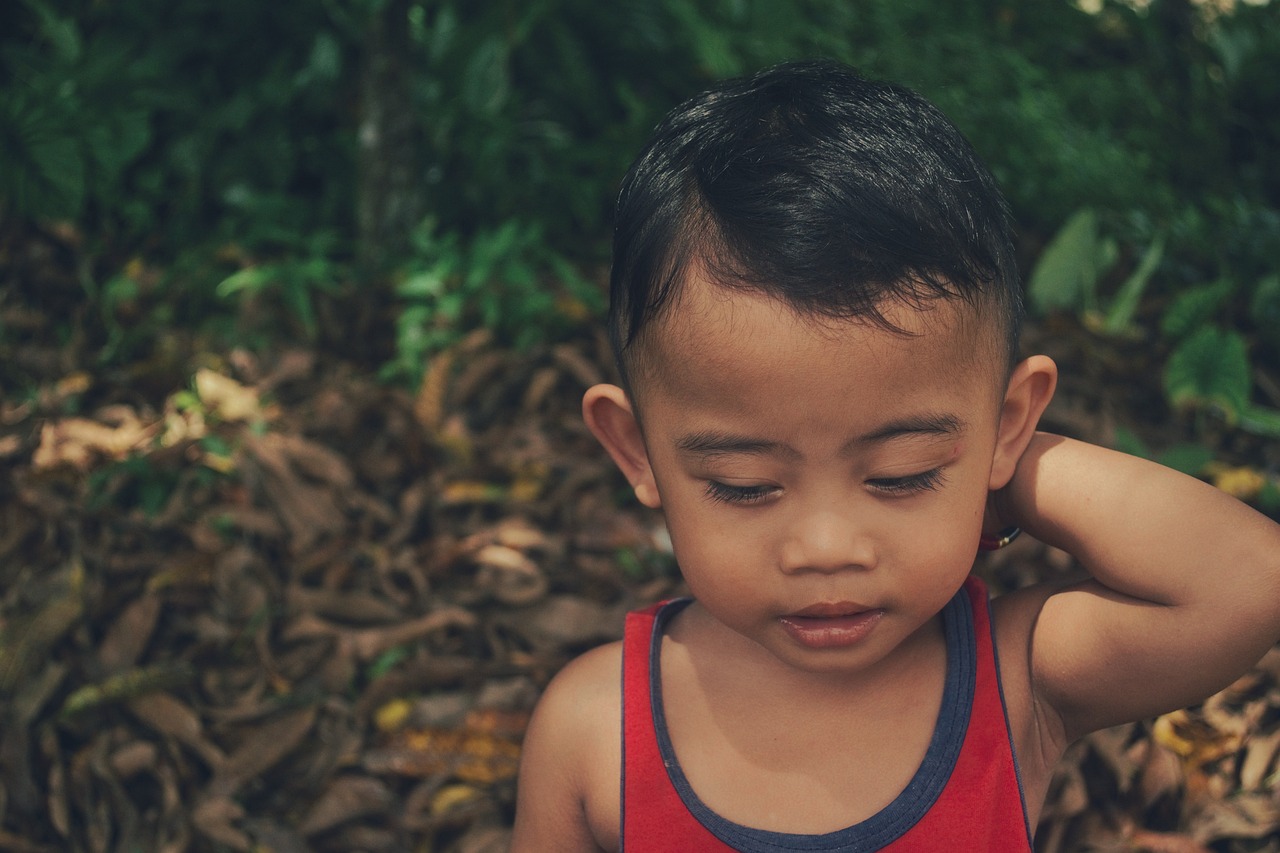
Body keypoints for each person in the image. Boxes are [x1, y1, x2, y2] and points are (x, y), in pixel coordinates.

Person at [510, 60, 1280, 851]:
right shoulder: (596, 732)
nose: (827, 547)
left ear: (1004, 425)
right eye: (745, 485)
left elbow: (1247, 578)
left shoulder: (1012, 681)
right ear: (637, 452)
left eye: (902, 474)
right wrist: (954, 468)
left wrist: (998, 466)